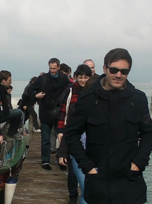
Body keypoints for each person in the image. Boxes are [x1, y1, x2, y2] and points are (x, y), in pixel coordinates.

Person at [64, 48, 152, 204]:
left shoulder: (138, 99)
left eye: (124, 71)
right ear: (105, 68)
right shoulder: (87, 100)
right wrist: (87, 167)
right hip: (98, 182)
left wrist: (139, 162)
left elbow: (148, 133)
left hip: (130, 182)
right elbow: (71, 133)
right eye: (114, 70)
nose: (118, 75)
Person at [56, 64, 92, 204]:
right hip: (72, 133)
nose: (83, 80)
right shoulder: (71, 91)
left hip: (88, 136)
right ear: (76, 77)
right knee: (72, 170)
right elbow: (63, 111)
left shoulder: (94, 91)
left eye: (86, 77)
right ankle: (72, 195)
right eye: (81, 77)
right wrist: (60, 130)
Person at [27, 58, 71, 170]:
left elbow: (69, 91)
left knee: (60, 137)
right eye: (50, 68)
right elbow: (30, 90)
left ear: (59, 67)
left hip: (59, 111)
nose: (52, 70)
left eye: (54, 68)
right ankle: (45, 161)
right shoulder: (43, 79)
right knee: (45, 139)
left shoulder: (64, 79)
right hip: (46, 112)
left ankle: (60, 159)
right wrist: (36, 96)